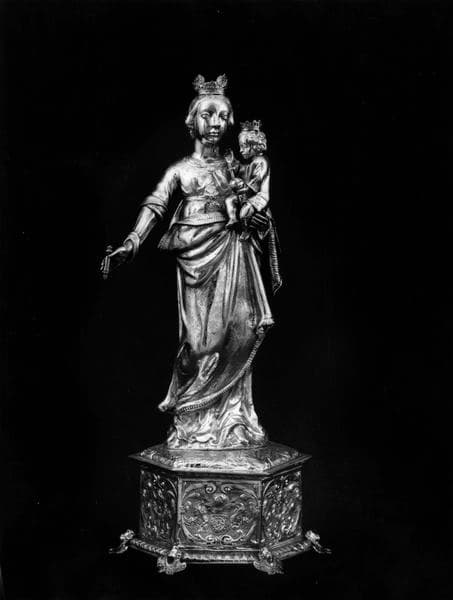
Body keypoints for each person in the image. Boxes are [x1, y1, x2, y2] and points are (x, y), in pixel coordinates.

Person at [101, 75, 274, 450]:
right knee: (198, 345)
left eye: (223, 116)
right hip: (195, 254)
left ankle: (233, 422)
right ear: (192, 120)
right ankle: (191, 422)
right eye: (208, 115)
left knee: (239, 329)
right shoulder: (180, 170)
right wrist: (132, 241)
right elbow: (155, 205)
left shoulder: (237, 166)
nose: (216, 123)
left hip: (232, 250)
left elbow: (257, 200)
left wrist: (256, 215)